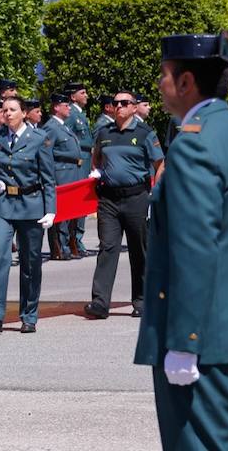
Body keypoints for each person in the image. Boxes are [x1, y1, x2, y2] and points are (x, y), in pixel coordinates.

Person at [134, 31, 228, 449]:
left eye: (164, 74)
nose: (159, 84)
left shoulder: (194, 144)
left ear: (187, 82)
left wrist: (184, 343)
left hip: (203, 338)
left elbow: (195, 249)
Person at [0, 96, 56, 335]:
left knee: (30, 261)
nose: (8, 113)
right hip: (2, 205)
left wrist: (51, 209)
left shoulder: (39, 139)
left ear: (23, 113)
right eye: (4, 110)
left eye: (12, 110)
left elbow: (48, 179)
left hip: (31, 204)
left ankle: (29, 315)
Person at [84, 90, 164, 320]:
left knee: (139, 250)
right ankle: (100, 302)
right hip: (109, 198)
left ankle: (141, 301)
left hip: (136, 197)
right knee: (107, 247)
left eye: (124, 103)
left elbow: (160, 164)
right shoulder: (104, 133)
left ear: (134, 107)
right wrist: (97, 173)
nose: (118, 106)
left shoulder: (145, 133)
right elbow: (96, 157)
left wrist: (155, 195)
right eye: (115, 103)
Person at [41, 93, 81, 261]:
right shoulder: (51, 127)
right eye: (65, 105)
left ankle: (65, 245)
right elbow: (46, 154)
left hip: (71, 172)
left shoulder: (63, 126)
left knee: (69, 212)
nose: (69, 107)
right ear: (56, 107)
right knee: (60, 212)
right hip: (61, 172)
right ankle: (58, 247)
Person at [63, 82, 92, 256]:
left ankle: (77, 239)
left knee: (82, 203)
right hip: (78, 161)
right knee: (77, 202)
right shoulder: (72, 114)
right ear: (73, 97)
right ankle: (72, 240)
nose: (86, 95)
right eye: (83, 92)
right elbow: (68, 138)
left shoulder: (80, 114)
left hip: (86, 159)